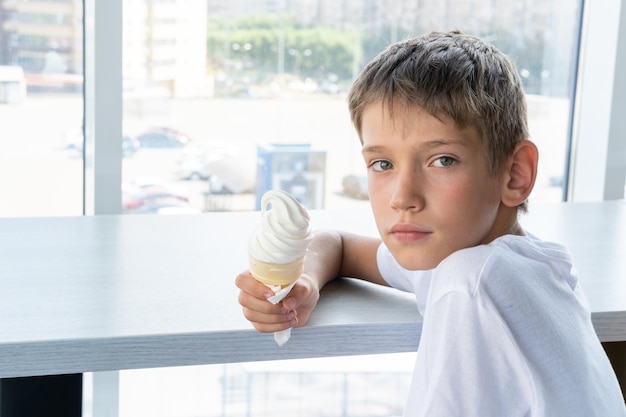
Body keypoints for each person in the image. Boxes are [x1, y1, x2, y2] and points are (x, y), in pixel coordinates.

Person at [236, 30, 626, 416]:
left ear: (515, 174)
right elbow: (339, 245)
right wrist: (305, 285)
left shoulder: (470, 281)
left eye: (442, 160)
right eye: (382, 164)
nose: (402, 198)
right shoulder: (517, 262)